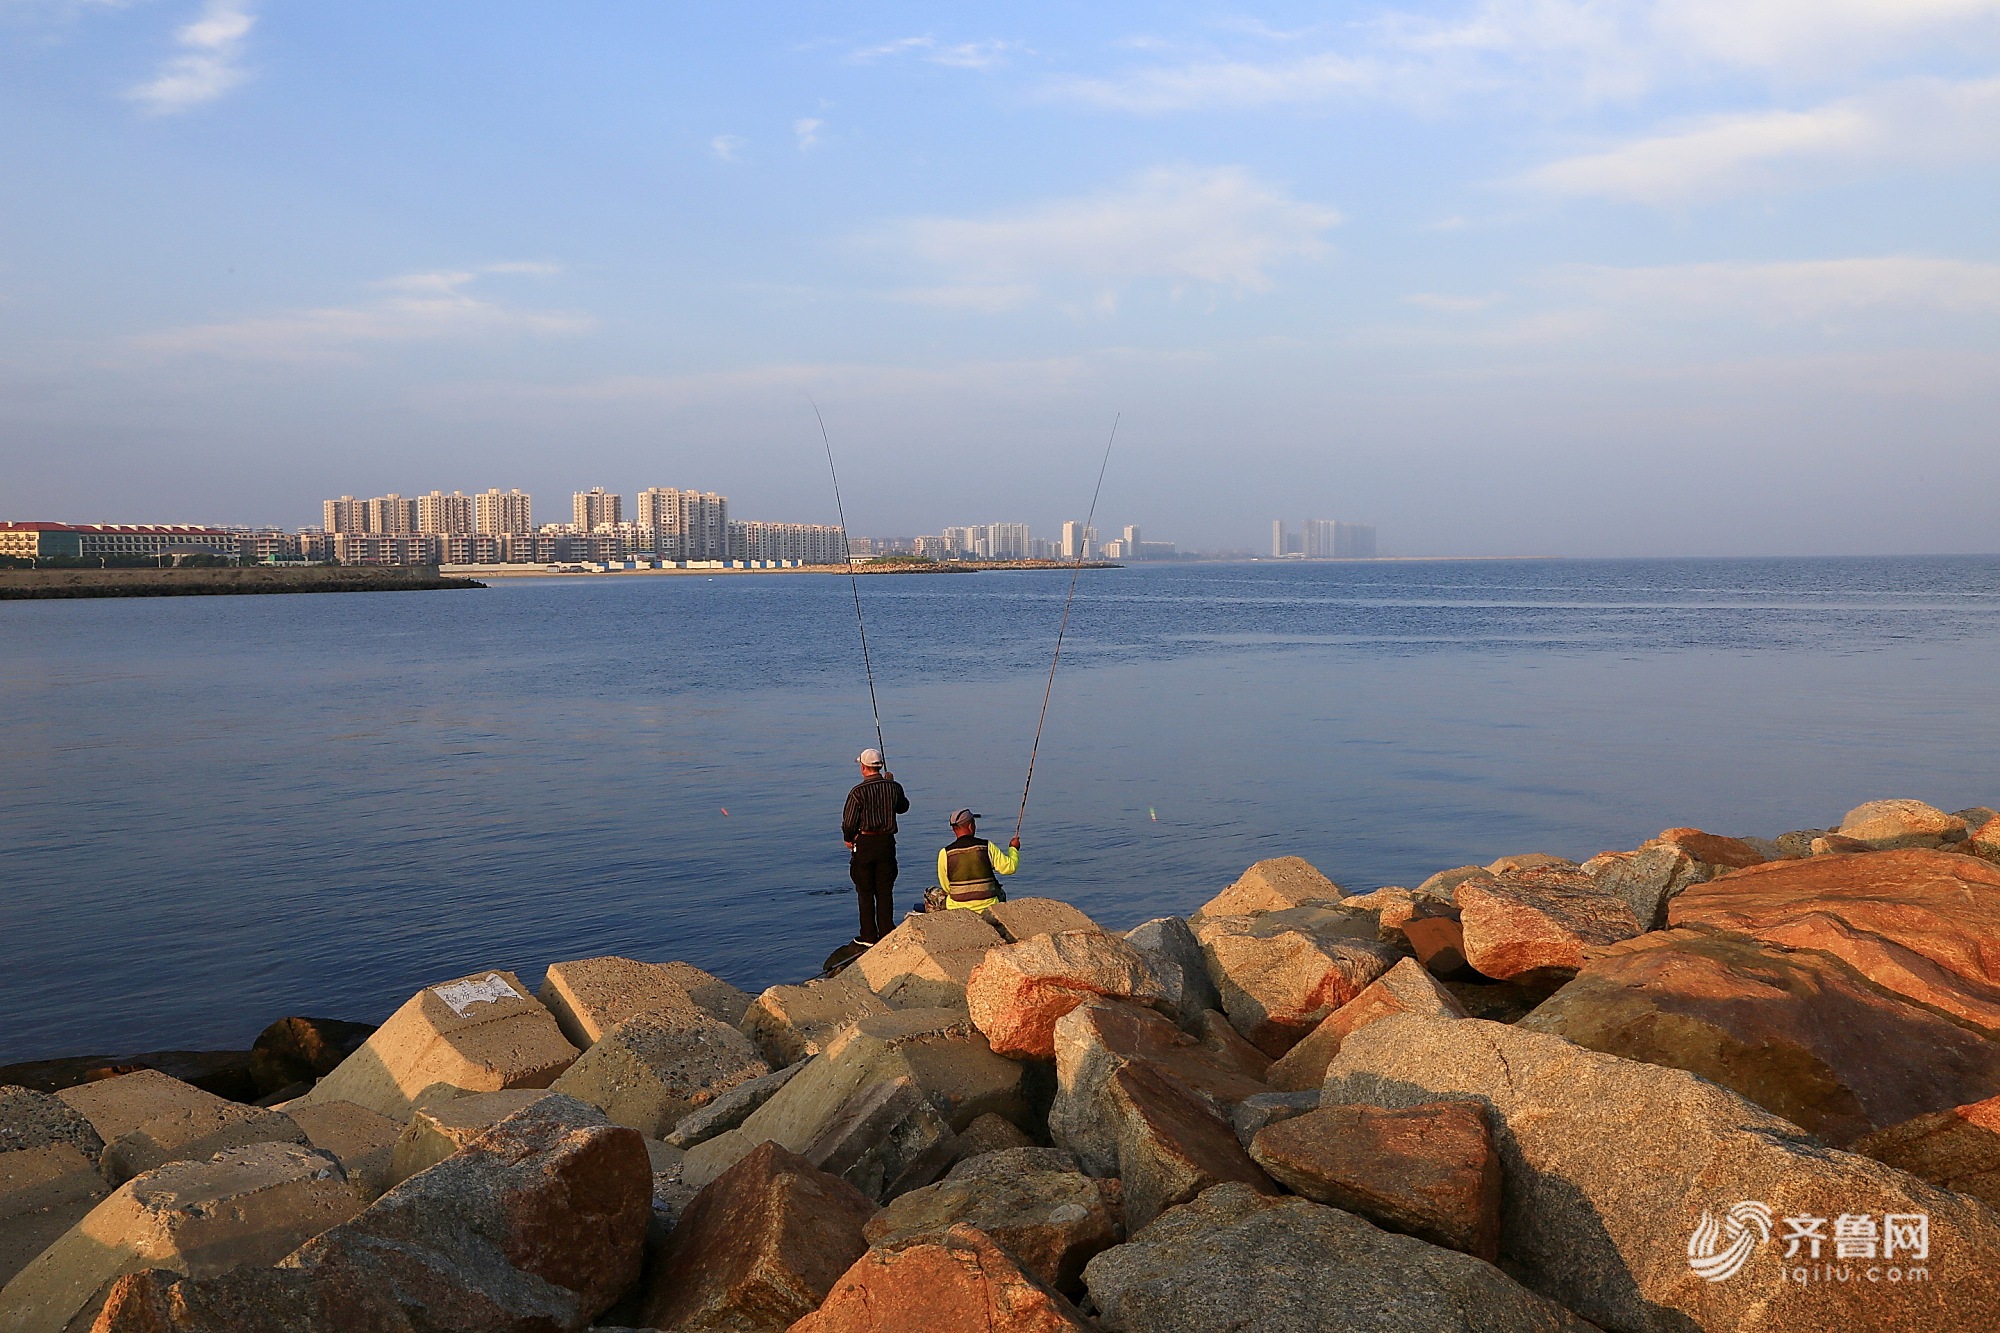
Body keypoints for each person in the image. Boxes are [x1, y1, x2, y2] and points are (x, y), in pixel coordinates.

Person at [841, 747, 909, 946]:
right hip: (887, 843)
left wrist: (848, 838)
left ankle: (868, 936)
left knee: (864, 890)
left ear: (863, 767)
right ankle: (887, 930)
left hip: (865, 843)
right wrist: (891, 783)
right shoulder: (893, 787)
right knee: (885, 889)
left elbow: (849, 822)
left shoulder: (857, 792)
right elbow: (903, 807)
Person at [935, 809, 1020, 912]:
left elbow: (946, 887)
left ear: (954, 829)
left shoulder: (945, 853)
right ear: (971, 826)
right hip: (988, 907)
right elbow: (1010, 868)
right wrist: (1013, 848)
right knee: (1000, 892)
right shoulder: (986, 846)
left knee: (930, 893)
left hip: (957, 909)